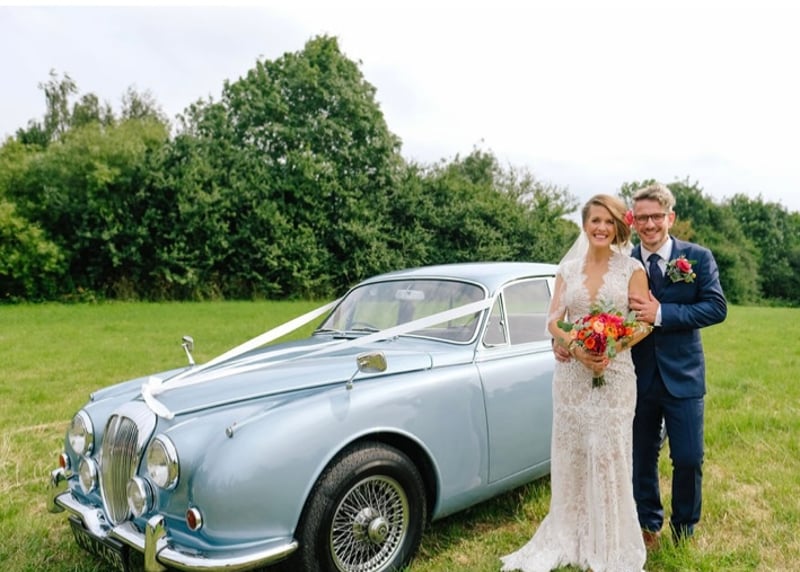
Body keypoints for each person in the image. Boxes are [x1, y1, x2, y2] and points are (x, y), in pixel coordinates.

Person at [501, 194, 652, 572]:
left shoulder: (632, 268)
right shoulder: (567, 270)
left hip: (615, 375)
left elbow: (644, 322)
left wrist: (611, 346)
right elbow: (553, 320)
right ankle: (569, 532)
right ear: (584, 225)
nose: (601, 227)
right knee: (573, 453)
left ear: (618, 226)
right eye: (595, 220)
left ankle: (610, 539)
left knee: (609, 452)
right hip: (571, 378)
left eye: (609, 221)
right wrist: (576, 347)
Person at [627, 183, 727, 547]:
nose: (649, 224)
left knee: (688, 458)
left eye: (656, 216)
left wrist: (662, 313)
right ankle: (647, 523)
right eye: (642, 218)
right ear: (633, 220)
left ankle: (684, 528)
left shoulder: (697, 257)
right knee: (642, 456)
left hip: (684, 375)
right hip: (636, 375)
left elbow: (716, 307)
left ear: (670, 217)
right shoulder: (623, 261)